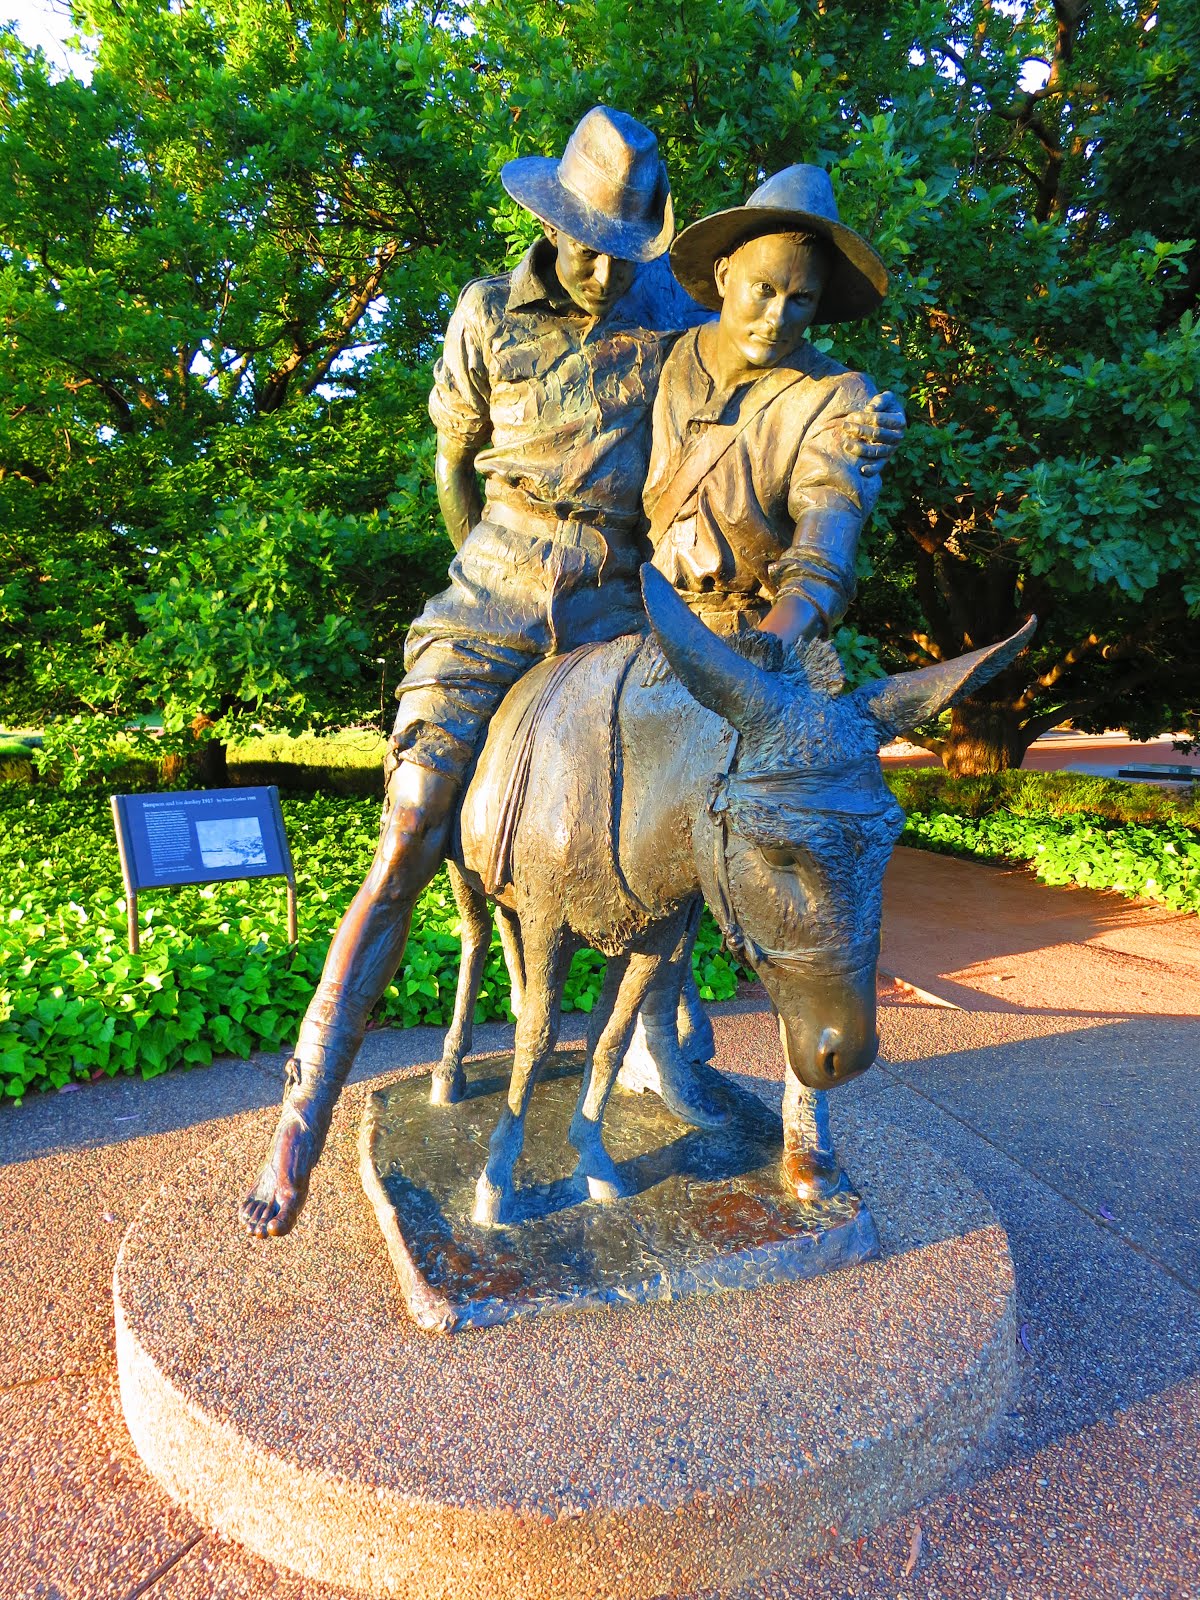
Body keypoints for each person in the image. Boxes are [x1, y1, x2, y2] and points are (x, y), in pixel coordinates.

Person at [241, 114, 903, 1239]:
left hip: (616, 606)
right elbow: (452, 458)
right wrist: (482, 568)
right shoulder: (483, 313)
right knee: (412, 822)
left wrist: (859, 415)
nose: (606, 271)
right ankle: (301, 1110)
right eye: (589, 246)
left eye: (628, 248)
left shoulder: (675, 313)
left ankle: (671, 1052)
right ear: (549, 221)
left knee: (710, 810)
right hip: (494, 584)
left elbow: (766, 373)